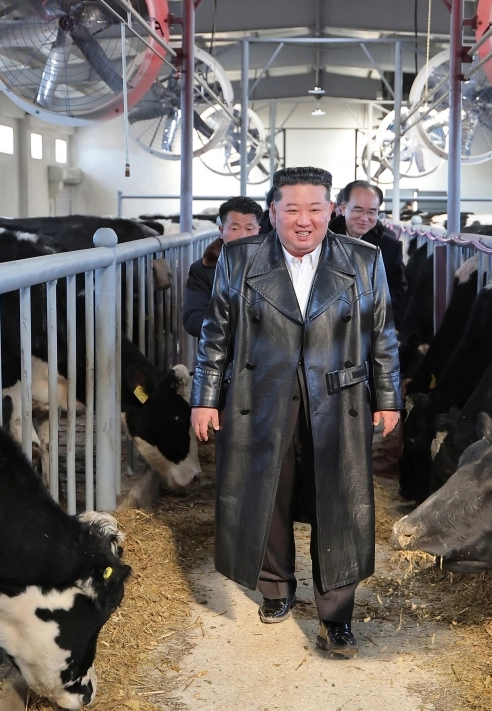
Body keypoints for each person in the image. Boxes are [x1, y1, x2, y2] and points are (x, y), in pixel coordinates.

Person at [190, 166, 401, 659]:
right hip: (261, 393)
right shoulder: (240, 259)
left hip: (339, 397)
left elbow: (383, 334)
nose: (303, 221)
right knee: (267, 492)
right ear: (273, 213)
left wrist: (389, 398)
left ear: (331, 210)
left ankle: (336, 617)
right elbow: (215, 333)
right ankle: (276, 590)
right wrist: (203, 397)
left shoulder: (364, 259)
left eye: (314, 209)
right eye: (292, 210)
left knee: (340, 501)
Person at [183, 196, 262, 338]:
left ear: (258, 231)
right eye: (235, 228)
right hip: (222, 352)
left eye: (249, 228)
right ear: (221, 230)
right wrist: (238, 327)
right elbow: (192, 319)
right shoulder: (202, 269)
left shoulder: (275, 264)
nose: (243, 235)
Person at [330, 180, 407, 325]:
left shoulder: (390, 247)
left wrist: (370, 306)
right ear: (343, 208)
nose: (364, 218)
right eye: (358, 210)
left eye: (372, 212)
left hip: (368, 325)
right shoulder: (321, 240)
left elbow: (398, 291)